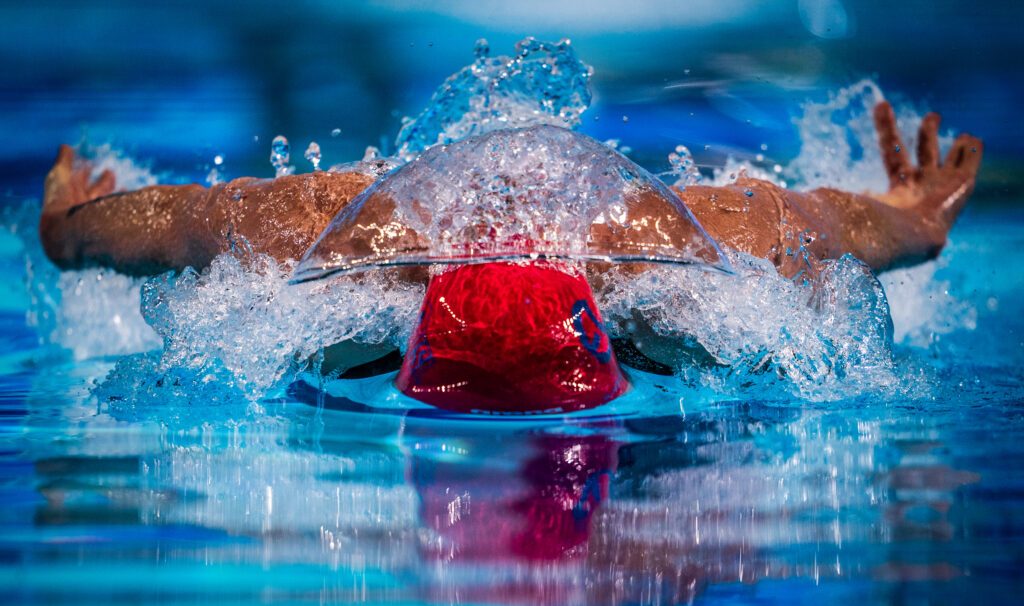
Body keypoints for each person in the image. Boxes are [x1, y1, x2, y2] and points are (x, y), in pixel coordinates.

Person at [36, 103, 983, 412]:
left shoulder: (662, 253)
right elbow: (191, 220)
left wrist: (913, 224)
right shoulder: (355, 244)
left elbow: (812, 226)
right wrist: (73, 233)